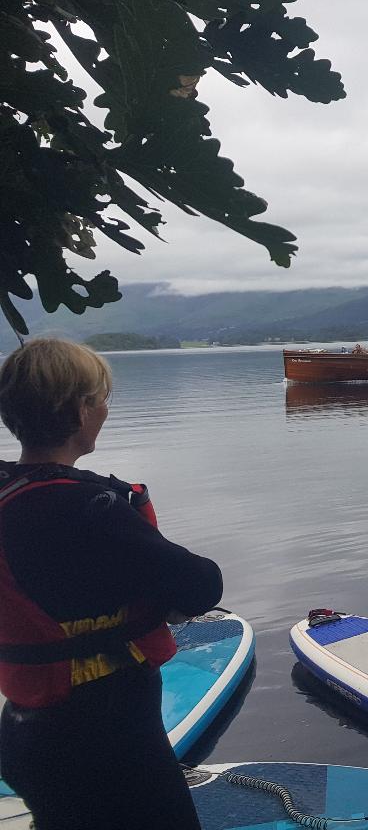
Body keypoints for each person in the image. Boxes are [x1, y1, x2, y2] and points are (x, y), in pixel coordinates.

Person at [0, 338, 223, 829]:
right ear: (78, 411)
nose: (104, 410)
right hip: (103, 732)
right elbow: (203, 585)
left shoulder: (8, 495)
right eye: (101, 399)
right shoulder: (91, 509)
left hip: (24, 729)